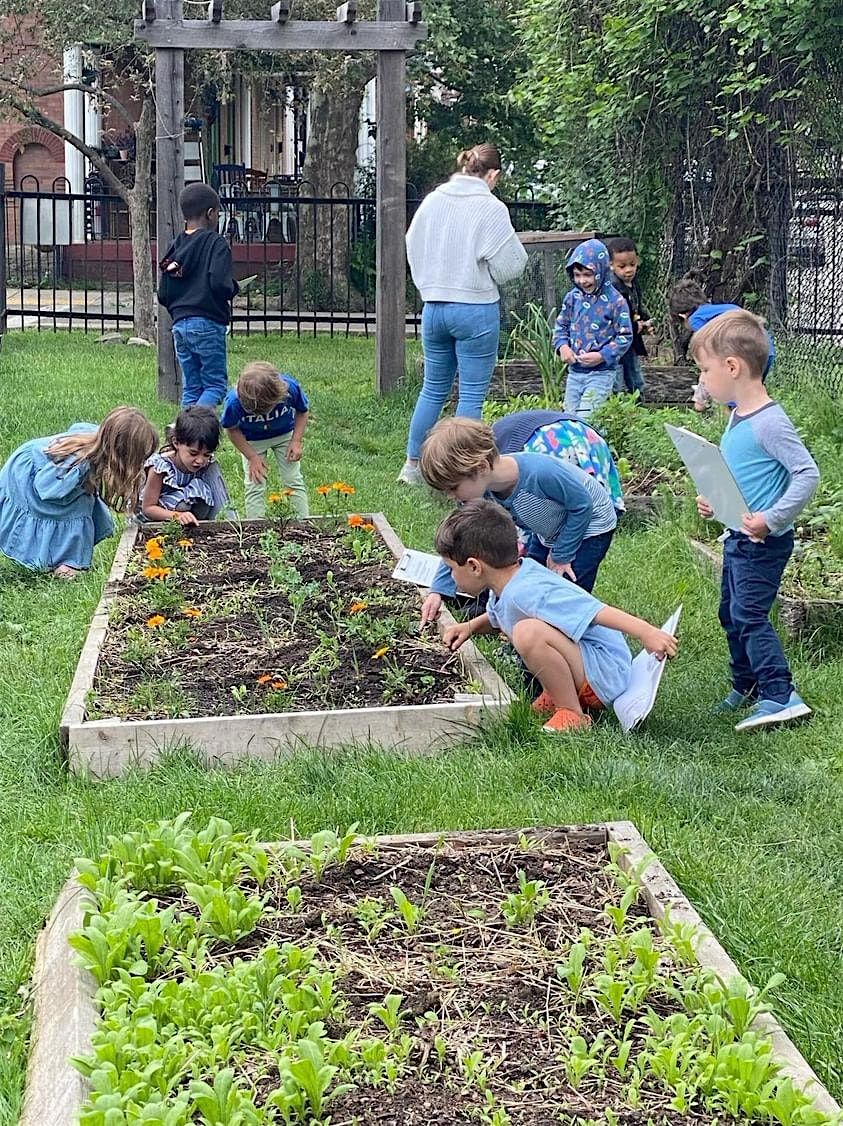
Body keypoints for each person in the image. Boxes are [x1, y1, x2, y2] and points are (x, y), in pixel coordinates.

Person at [436, 499, 678, 733]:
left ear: (474, 566)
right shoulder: (507, 583)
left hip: (604, 674)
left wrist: (647, 632)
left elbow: (594, 611)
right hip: (588, 667)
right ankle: (556, 694)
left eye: (451, 569)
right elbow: (498, 617)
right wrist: (469, 627)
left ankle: (572, 712)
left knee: (527, 632)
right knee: (526, 630)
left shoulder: (529, 590)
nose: (452, 577)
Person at [692, 310, 819, 731]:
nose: (703, 380)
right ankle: (746, 685)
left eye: (705, 370)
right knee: (730, 612)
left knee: (749, 615)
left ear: (733, 367)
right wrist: (715, 499)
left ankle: (780, 694)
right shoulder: (737, 415)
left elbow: (807, 474)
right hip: (739, 537)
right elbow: (743, 473)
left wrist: (772, 518)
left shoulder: (770, 422)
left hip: (763, 542)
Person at [398, 143, 528, 485]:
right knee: (471, 394)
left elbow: (411, 243)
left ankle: (413, 466)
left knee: (433, 389)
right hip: (475, 309)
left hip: (435, 307)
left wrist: (429, 283)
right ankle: (462, 469)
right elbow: (511, 265)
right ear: (493, 174)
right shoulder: (490, 207)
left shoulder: (433, 201)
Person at [418, 417, 618, 624]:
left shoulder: (541, 473)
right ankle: (528, 631)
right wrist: (438, 591)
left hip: (590, 527)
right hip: (548, 530)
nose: (451, 496)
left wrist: (561, 555)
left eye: (453, 487)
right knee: (527, 582)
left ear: (481, 467)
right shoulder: (481, 490)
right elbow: (458, 541)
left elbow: (582, 506)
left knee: (566, 588)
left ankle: (569, 633)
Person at [0, 407, 158, 578]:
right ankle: (61, 560)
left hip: (48, 477)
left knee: (82, 506)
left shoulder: (101, 445)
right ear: (122, 451)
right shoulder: (76, 463)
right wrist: (83, 487)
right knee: (73, 511)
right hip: (29, 478)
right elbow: (46, 488)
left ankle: (65, 558)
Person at [157, 182, 239, 408]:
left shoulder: (176, 246)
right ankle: (192, 429)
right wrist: (234, 287)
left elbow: (163, 293)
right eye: (218, 212)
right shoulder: (216, 243)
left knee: (192, 387)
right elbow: (219, 283)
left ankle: (181, 435)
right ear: (211, 213)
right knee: (215, 386)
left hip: (180, 326)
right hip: (207, 323)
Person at [552, 238, 632, 420]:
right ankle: (575, 448)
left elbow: (625, 336)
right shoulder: (572, 298)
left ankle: (594, 447)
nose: (582, 280)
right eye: (577, 275)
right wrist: (563, 347)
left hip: (602, 373)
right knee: (569, 418)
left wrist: (602, 355)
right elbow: (561, 327)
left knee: (588, 418)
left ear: (601, 270)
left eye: (588, 275)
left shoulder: (616, 301)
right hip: (575, 372)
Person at [669, 278, 775, 410]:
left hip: (743, 353)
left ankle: (733, 424)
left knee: (733, 398)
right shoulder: (716, 309)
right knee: (750, 391)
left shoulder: (695, 319)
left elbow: (710, 353)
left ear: (683, 316)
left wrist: (701, 395)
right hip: (765, 347)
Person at [491, 408, 624, 513]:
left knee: (549, 517)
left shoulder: (481, 472)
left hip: (547, 440)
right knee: (598, 508)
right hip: (586, 433)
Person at [221, 361, 310, 518]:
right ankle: (256, 527)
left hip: (284, 436)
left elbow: (302, 412)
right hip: (252, 441)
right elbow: (232, 429)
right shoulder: (234, 403)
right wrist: (252, 457)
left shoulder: (290, 388)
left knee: (293, 479)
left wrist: (296, 441)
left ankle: (302, 522)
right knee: (255, 483)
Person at [141, 405, 230, 526]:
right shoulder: (160, 468)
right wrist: (178, 516)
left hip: (186, 513)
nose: (200, 461)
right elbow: (148, 508)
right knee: (183, 506)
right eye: (193, 453)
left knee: (202, 500)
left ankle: (197, 527)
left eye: (206, 454)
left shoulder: (206, 465)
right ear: (176, 443)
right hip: (156, 520)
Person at [608, 237, 653, 400]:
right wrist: (635, 326)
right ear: (610, 265)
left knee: (635, 375)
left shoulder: (633, 284)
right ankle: (619, 409)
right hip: (615, 341)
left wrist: (645, 321)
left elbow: (636, 307)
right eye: (622, 266)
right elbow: (613, 318)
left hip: (631, 342)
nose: (628, 270)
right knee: (617, 380)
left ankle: (639, 406)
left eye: (632, 265)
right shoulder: (611, 289)